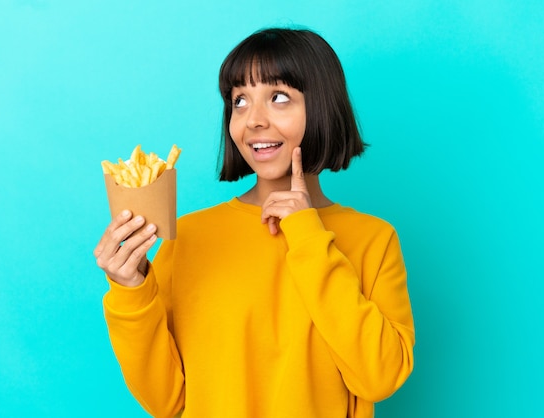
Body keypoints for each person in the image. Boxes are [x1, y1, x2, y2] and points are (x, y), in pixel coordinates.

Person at [94, 27, 415, 418]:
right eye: (239, 101)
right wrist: (132, 290)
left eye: (279, 97)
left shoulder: (373, 240)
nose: (253, 120)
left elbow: (379, 378)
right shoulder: (191, 236)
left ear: (323, 107)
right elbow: (167, 401)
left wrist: (308, 238)